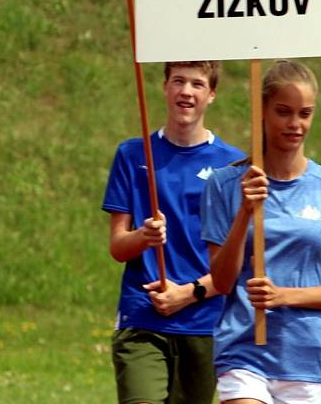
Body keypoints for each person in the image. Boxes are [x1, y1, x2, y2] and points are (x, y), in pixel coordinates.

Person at [201, 60, 321, 404]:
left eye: (305, 114)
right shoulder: (224, 184)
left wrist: (284, 296)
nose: (295, 124)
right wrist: (245, 211)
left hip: (305, 359)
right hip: (243, 351)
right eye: (283, 112)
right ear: (261, 110)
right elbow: (223, 280)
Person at [103, 61, 245, 404]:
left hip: (204, 322)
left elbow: (238, 263)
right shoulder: (133, 155)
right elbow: (119, 247)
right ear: (165, 87)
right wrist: (143, 237)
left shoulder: (233, 165)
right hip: (142, 318)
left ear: (211, 95)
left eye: (197, 84)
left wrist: (188, 293)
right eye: (178, 81)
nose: (186, 91)